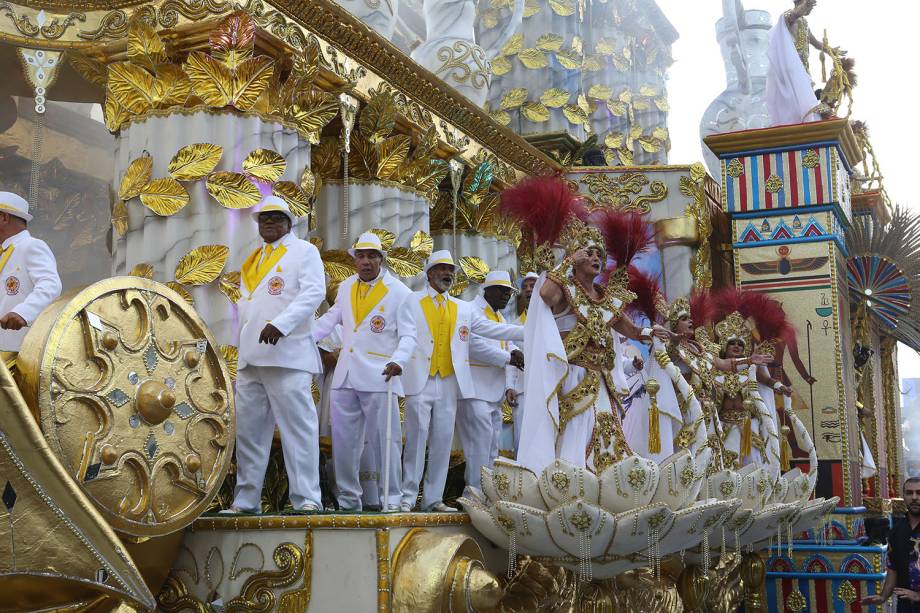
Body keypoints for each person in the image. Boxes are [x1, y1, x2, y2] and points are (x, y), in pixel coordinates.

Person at [399, 250, 524, 512]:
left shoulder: (462, 307)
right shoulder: (412, 300)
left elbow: (494, 330)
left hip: (448, 382)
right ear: (429, 273)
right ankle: (408, 496)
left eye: (451, 270)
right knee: (416, 439)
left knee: (442, 441)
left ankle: (433, 499)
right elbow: (404, 336)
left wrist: (529, 330)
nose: (447, 274)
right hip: (419, 379)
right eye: (442, 269)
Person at [225, 196, 326, 514]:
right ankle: (246, 500)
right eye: (262, 218)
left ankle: (307, 498)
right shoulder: (253, 258)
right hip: (251, 357)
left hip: (288, 354)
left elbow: (314, 292)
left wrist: (281, 325)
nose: (267, 222)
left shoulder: (304, 252)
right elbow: (247, 306)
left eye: (275, 217)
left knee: (298, 428)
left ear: (289, 222)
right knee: (250, 432)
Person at [313, 231, 416, 512]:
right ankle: (348, 500)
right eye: (361, 256)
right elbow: (328, 321)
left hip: (381, 375)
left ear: (381, 259)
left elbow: (409, 336)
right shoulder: (345, 287)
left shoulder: (400, 292)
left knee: (387, 442)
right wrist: (297, 336)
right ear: (354, 259)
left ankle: (392, 499)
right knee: (344, 444)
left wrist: (400, 360)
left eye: (372, 256)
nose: (366, 261)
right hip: (345, 376)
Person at [456, 270, 522, 490]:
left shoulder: (499, 317)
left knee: (492, 447)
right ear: (488, 290)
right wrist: (508, 357)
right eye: (502, 291)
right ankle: (473, 493)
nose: (506, 296)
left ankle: (487, 494)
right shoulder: (470, 309)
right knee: (478, 446)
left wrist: (510, 384)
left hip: (493, 392)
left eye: (509, 293)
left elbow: (509, 346)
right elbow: (471, 344)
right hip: (474, 390)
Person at [0, 192, 61, 351]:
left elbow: (50, 285)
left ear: (4, 218)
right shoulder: (2, 252)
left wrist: (22, 313)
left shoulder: (31, 246)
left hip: (20, 352)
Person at [861, 478, 920, 611]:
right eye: (910, 493)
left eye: (919, 493)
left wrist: (918, 596)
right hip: (905, 605)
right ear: (903, 496)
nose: (915, 497)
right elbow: (893, 568)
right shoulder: (896, 531)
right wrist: (883, 596)